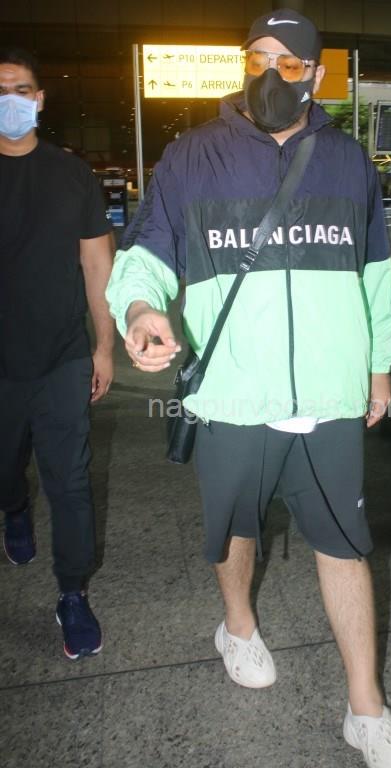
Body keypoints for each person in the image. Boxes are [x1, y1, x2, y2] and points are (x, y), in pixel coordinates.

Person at [106, 9, 391, 768]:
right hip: (234, 393)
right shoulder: (193, 155)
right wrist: (140, 309)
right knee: (235, 528)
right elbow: (146, 252)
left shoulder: (348, 162)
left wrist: (378, 366)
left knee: (345, 545)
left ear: (317, 75)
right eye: (258, 58)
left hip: (329, 394)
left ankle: (366, 707)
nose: (271, 74)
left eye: (290, 63)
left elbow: (375, 275)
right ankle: (238, 625)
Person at [0, 48, 114, 659]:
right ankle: (13, 504)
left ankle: (73, 592)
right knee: (6, 469)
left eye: (21, 89)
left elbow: (97, 264)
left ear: (39, 99)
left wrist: (104, 345)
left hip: (64, 354)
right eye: (1, 90)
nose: (11, 99)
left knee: (70, 482)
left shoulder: (72, 174)